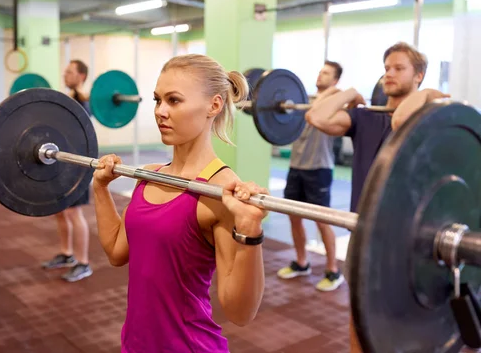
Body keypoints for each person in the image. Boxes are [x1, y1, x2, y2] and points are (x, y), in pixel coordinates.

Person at [92, 54, 268, 352]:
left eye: (174, 101)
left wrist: (251, 230)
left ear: (214, 105)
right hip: (136, 343)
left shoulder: (220, 190)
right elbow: (117, 252)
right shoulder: (147, 176)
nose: (160, 111)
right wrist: (100, 188)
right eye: (157, 100)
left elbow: (240, 313)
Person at [305, 42, 449, 352]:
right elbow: (316, 116)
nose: (389, 74)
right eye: (386, 68)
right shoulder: (366, 119)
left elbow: (401, 120)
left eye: (399, 68)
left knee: (404, 325)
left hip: (406, 237)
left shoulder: (426, 120)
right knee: (360, 320)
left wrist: (423, 96)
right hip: (364, 233)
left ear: (419, 75)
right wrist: (347, 93)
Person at [277, 60, 345, 292]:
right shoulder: (302, 100)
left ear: (335, 80)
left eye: (326, 73)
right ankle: (302, 262)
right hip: (296, 167)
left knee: (322, 220)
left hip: (319, 169)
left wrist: (334, 93)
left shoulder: (334, 102)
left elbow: (340, 98)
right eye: (320, 71)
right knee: (294, 217)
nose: (320, 75)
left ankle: (333, 269)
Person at [41, 59, 93, 282]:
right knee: (60, 211)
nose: (65, 74)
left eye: (70, 72)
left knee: (74, 212)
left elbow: (83, 127)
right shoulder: (68, 100)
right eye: (65, 71)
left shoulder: (83, 101)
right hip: (60, 163)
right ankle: (67, 254)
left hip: (77, 165)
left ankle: (83, 263)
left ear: (81, 76)